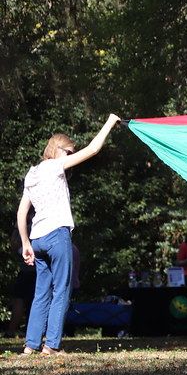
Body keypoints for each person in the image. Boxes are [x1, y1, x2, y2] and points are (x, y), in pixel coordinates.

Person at [17, 113, 120, 355]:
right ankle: (52, 346)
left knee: (41, 293)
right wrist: (110, 122)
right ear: (58, 150)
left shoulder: (32, 174)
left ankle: (30, 346)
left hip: (38, 238)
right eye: (69, 152)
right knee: (61, 289)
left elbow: (22, 213)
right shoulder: (54, 166)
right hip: (56, 235)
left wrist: (25, 243)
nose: (71, 157)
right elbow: (93, 149)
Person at [5, 228, 36, 338]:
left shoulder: (23, 233)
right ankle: (29, 331)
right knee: (32, 303)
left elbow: (14, 245)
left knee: (19, 302)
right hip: (32, 273)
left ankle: (12, 330)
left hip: (27, 274)